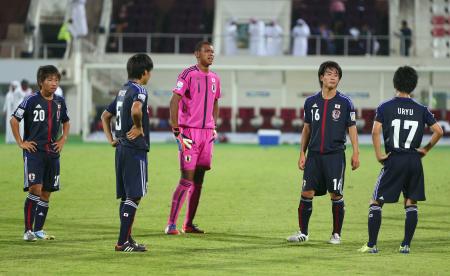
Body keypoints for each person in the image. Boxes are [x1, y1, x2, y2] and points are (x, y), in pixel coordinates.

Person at [358, 66, 443, 254]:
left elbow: (375, 131)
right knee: (411, 202)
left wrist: (379, 155)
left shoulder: (385, 107)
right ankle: (405, 245)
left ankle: (372, 245)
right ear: (413, 86)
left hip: (394, 159)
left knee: (376, 201)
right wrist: (426, 149)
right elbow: (439, 131)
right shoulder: (421, 109)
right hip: (414, 160)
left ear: (395, 83)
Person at [287, 61, 360, 244]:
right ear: (321, 77)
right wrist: (302, 153)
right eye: (329, 74)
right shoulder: (311, 102)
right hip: (314, 156)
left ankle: (336, 234)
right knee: (306, 192)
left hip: (335, 156)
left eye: (336, 75)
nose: (332, 77)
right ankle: (303, 233)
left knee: (336, 194)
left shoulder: (345, 103)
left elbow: (352, 129)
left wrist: (356, 153)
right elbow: (306, 129)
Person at [165, 41, 220, 235]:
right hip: (189, 132)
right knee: (186, 180)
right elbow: (174, 100)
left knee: (198, 180)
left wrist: (214, 125)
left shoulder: (215, 78)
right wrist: (177, 130)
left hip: (207, 134)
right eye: (207, 51)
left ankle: (188, 224)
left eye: (212, 52)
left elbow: (215, 102)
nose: (211, 54)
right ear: (197, 54)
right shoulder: (187, 74)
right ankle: (171, 224)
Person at [10, 65, 70, 241]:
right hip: (34, 151)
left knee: (47, 192)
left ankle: (38, 230)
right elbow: (14, 120)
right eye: (50, 80)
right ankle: (28, 231)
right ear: (40, 82)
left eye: (56, 80)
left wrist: (63, 139)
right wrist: (21, 142)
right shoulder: (30, 100)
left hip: (53, 152)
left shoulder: (60, 101)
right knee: (35, 188)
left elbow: (66, 122)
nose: (54, 83)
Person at [101, 53, 153, 252]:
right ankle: (122, 242)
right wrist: (139, 127)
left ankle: (127, 239)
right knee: (135, 195)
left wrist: (111, 139)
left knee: (127, 196)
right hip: (134, 148)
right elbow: (137, 109)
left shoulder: (123, 90)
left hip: (121, 147)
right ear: (145, 72)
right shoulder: (140, 89)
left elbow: (105, 116)